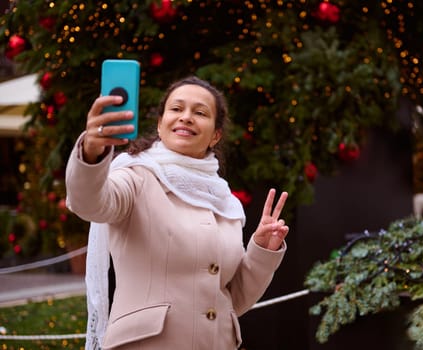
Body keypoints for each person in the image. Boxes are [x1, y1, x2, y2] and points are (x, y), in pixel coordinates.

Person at [65, 75, 289, 349]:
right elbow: (89, 203)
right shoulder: (135, 177)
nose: (186, 117)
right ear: (160, 124)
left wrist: (262, 250)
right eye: (176, 109)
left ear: (215, 135)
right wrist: (91, 151)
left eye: (200, 112)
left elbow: (233, 299)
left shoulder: (223, 199)